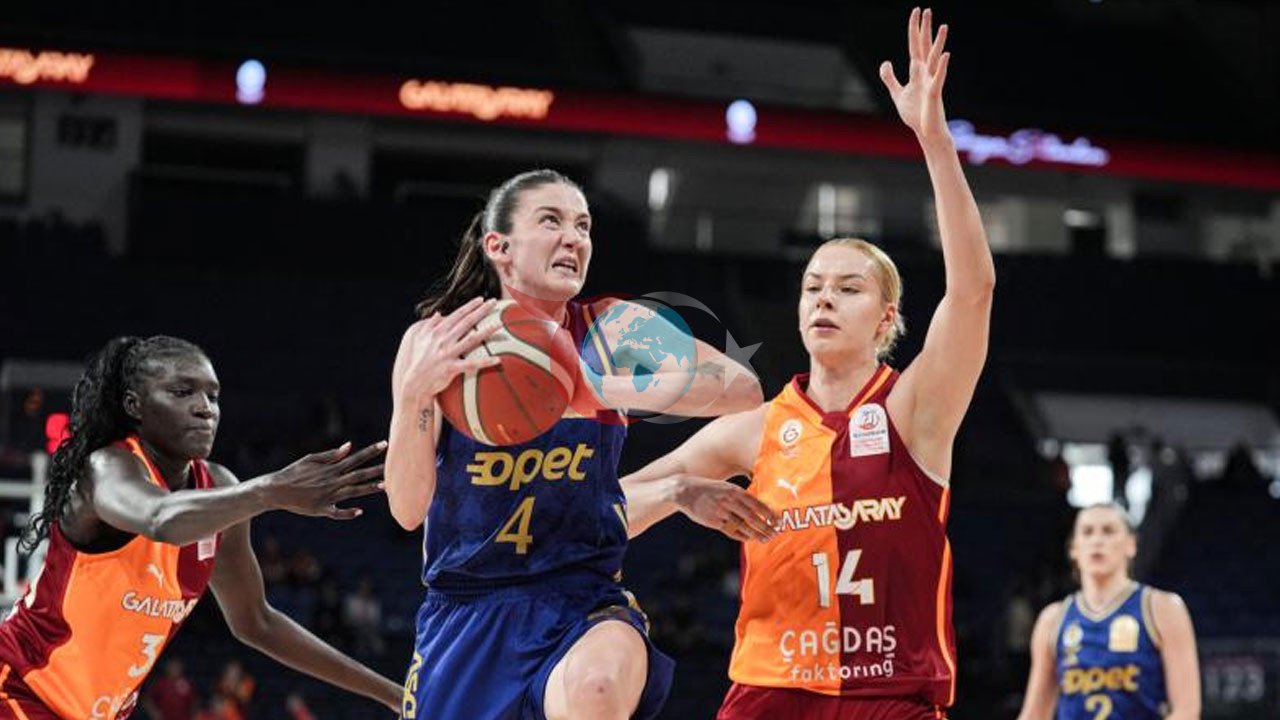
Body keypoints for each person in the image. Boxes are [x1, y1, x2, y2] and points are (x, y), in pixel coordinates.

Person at [620, 9, 994, 719]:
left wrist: (935, 142)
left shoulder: (915, 409)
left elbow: (973, 291)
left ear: (886, 318)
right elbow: (608, 509)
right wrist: (677, 493)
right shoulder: (755, 429)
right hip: (771, 693)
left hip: (889, 694)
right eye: (813, 286)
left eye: (848, 289)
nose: (824, 297)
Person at [386, 168, 763, 720]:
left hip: (582, 601)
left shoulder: (613, 330)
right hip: (466, 610)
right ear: (499, 247)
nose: (574, 238)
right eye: (552, 221)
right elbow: (406, 508)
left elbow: (742, 388)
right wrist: (415, 394)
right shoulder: (439, 341)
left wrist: (589, 385)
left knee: (598, 689)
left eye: (583, 226)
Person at [0, 335, 402, 719]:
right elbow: (160, 518)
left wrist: (392, 694)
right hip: (18, 690)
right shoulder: (106, 468)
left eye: (213, 396)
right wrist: (269, 491)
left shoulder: (220, 487)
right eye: (182, 392)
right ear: (135, 405)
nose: (205, 408)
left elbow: (257, 622)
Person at [1015, 503, 1200, 720]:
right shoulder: (1053, 619)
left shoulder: (1163, 608)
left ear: (1131, 545)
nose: (1097, 540)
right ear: (1074, 549)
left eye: (1108, 531)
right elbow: (1034, 714)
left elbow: (1187, 712)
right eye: (1087, 532)